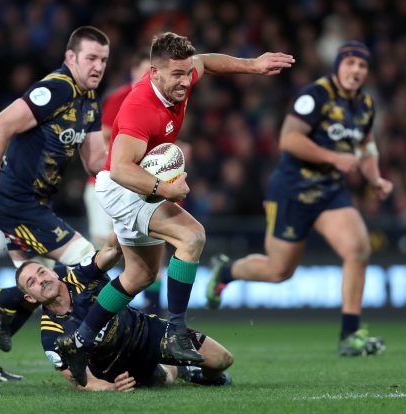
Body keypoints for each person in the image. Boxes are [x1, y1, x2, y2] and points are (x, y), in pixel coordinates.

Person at [56, 31, 295, 386]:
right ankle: (176, 331)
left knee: (140, 276)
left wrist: (254, 66)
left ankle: (79, 340)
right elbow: (121, 167)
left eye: (187, 74)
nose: (185, 81)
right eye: (176, 75)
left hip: (136, 188)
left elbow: (206, 62)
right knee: (192, 235)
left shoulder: (182, 72)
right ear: (154, 73)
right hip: (122, 188)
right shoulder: (141, 107)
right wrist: (165, 188)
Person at [206, 41, 393, 357]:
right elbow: (289, 139)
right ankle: (226, 271)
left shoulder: (364, 105)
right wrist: (333, 157)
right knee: (279, 271)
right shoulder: (316, 95)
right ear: (338, 66)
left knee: (358, 248)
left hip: (330, 192)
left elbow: (366, 146)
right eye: (351, 64)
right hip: (292, 191)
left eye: (362, 66)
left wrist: (375, 179)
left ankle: (350, 335)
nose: (356, 71)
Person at [0, 26, 116, 382]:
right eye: (91, 58)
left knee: (34, 292)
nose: (97, 66)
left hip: (37, 202)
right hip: (18, 203)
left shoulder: (89, 97)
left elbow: (95, 162)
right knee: (85, 258)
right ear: (71, 58)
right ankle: (3, 300)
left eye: (104, 60)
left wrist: (134, 166)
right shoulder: (57, 88)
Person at [15, 245, 233, 391]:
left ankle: (203, 376)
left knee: (222, 359)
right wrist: (110, 387)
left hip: (145, 331)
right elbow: (80, 381)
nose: (41, 280)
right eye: (32, 282)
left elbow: (108, 251)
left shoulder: (81, 275)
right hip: (119, 369)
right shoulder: (50, 334)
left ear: (53, 272)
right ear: (29, 297)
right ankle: (179, 369)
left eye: (42, 272)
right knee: (161, 379)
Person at [85, 50, 162, 314]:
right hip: (106, 184)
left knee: (148, 252)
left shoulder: (159, 101)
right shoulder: (119, 98)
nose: (149, 78)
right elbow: (105, 138)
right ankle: (89, 306)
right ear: (133, 72)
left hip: (138, 188)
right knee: (103, 249)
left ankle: (153, 315)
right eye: (144, 71)